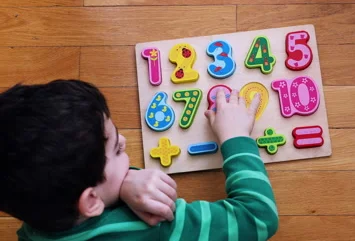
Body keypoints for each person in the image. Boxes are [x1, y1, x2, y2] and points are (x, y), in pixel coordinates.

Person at [0, 80, 278, 240]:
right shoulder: (149, 225)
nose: (123, 141)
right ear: (90, 201)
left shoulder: (34, 225)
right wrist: (235, 136)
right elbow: (258, 217)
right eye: (116, 151)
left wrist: (119, 185)